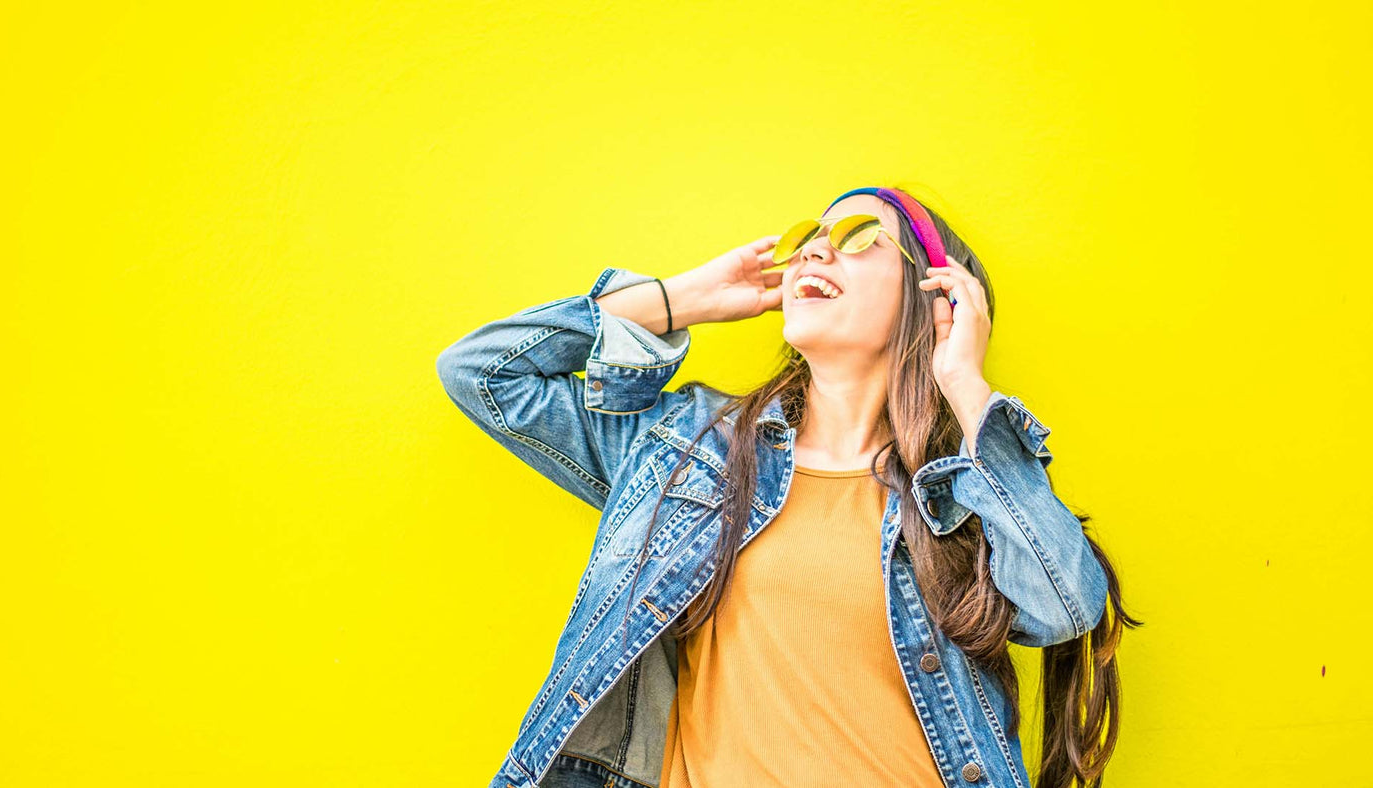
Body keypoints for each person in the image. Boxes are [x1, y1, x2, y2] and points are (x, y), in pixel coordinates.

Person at [437, 186, 1141, 788]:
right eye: (807, 239)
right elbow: (483, 374)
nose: (813, 251)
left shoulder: (962, 491)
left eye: (858, 236)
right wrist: (681, 299)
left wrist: (964, 383)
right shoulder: (687, 448)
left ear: (935, 295)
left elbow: (1065, 606)